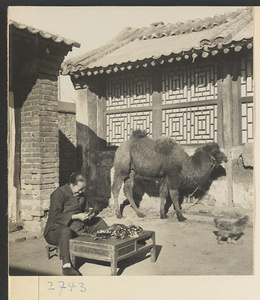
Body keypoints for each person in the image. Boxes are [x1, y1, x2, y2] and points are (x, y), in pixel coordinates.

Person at [44, 172, 108, 276]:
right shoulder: (58, 194)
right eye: (80, 189)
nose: (82, 191)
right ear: (72, 185)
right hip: (56, 230)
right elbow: (55, 216)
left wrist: (90, 213)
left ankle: (109, 250)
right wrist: (75, 216)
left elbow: (87, 208)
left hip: (78, 227)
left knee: (99, 221)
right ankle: (67, 266)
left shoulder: (81, 194)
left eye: (84, 189)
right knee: (66, 231)